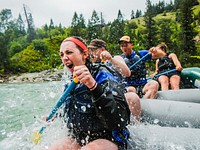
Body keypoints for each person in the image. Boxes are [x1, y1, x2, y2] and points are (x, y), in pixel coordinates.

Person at [49, 36, 131, 150]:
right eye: (62, 54)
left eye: (69, 52)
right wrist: (55, 116)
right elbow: (69, 110)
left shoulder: (102, 74)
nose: (65, 58)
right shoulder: (69, 83)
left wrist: (93, 86)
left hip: (109, 137)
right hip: (80, 137)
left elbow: (120, 119)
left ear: (84, 54)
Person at [88, 39, 141, 119]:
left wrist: (111, 59)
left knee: (132, 94)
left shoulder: (116, 58)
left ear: (102, 50)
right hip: (100, 97)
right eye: (90, 50)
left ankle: (135, 125)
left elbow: (127, 73)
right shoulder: (91, 65)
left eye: (93, 50)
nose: (91, 53)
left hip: (117, 95)